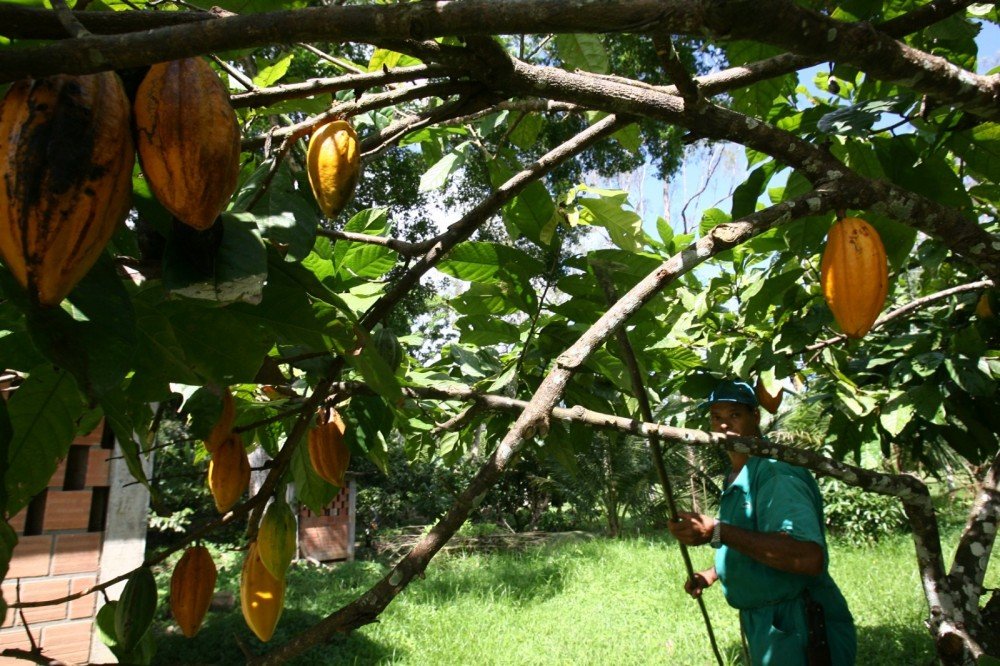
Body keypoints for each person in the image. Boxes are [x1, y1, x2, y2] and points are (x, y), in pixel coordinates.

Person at [667, 379, 856, 666]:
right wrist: (712, 573)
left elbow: (807, 556)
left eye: (734, 415)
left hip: (799, 621)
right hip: (766, 622)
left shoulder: (775, 473)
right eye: (716, 417)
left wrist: (717, 530)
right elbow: (748, 535)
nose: (724, 426)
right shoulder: (737, 476)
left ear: (755, 416)